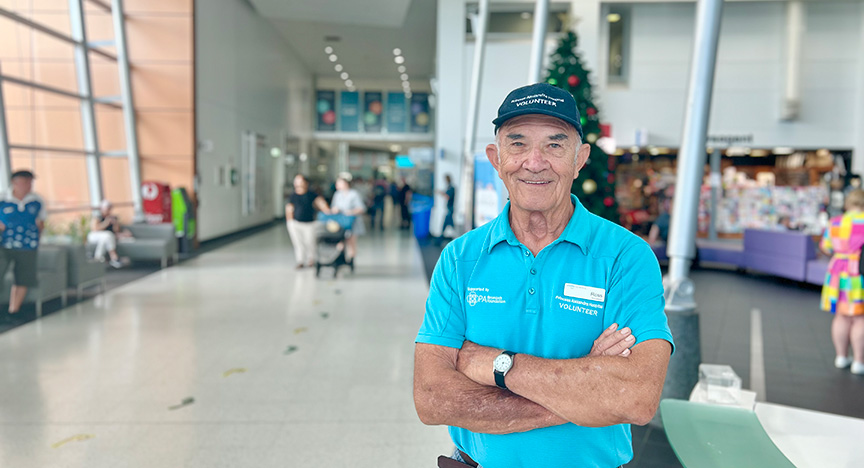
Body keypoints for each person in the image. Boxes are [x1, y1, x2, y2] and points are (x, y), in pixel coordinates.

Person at [413, 83, 674, 468]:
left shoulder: (626, 257)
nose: (534, 162)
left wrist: (496, 365)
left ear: (580, 158)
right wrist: (584, 391)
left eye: (555, 144)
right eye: (517, 144)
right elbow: (433, 398)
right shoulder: (460, 259)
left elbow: (634, 398)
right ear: (496, 158)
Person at [819, 189, 864, 375]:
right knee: (860, 318)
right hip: (858, 272)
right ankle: (859, 362)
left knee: (841, 315)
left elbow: (826, 247)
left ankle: (841, 357)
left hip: (836, 272)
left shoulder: (835, 222)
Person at [0, 170, 46, 317]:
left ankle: (14, 311)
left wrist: (37, 239)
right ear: (14, 182)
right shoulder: (2, 200)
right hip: (4, 245)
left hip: (28, 246)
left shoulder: (37, 201)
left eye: (30, 182)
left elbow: (41, 222)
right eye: (25, 182)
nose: (28, 185)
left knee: (23, 278)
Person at [286, 174, 330, 269]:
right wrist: (289, 222)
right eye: (296, 181)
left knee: (310, 242)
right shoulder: (293, 195)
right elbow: (289, 208)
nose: (298, 183)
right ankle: (300, 261)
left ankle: (311, 260)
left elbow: (321, 203)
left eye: (300, 181)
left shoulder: (312, 194)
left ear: (306, 183)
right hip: (296, 223)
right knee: (298, 243)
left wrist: (328, 211)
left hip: (310, 223)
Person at [329, 173, 366, 262]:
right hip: (341, 222)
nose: (337, 185)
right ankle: (340, 259)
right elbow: (333, 207)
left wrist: (350, 212)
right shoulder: (337, 194)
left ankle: (351, 260)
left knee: (351, 242)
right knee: (340, 242)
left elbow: (361, 208)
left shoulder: (354, 194)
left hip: (352, 222)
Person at [88, 200, 132, 268]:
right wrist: (106, 223)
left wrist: (115, 223)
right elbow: (95, 229)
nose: (108, 210)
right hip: (95, 236)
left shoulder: (112, 217)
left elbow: (116, 231)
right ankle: (114, 257)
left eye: (109, 209)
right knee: (107, 235)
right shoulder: (97, 217)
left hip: (106, 238)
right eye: (107, 208)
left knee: (106, 237)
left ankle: (98, 258)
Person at [437, 174, 456, 239]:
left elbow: (447, 196)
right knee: (448, 224)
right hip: (449, 208)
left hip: (450, 209)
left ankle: (440, 238)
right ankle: (440, 238)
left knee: (447, 224)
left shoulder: (451, 188)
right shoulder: (449, 187)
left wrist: (441, 193)